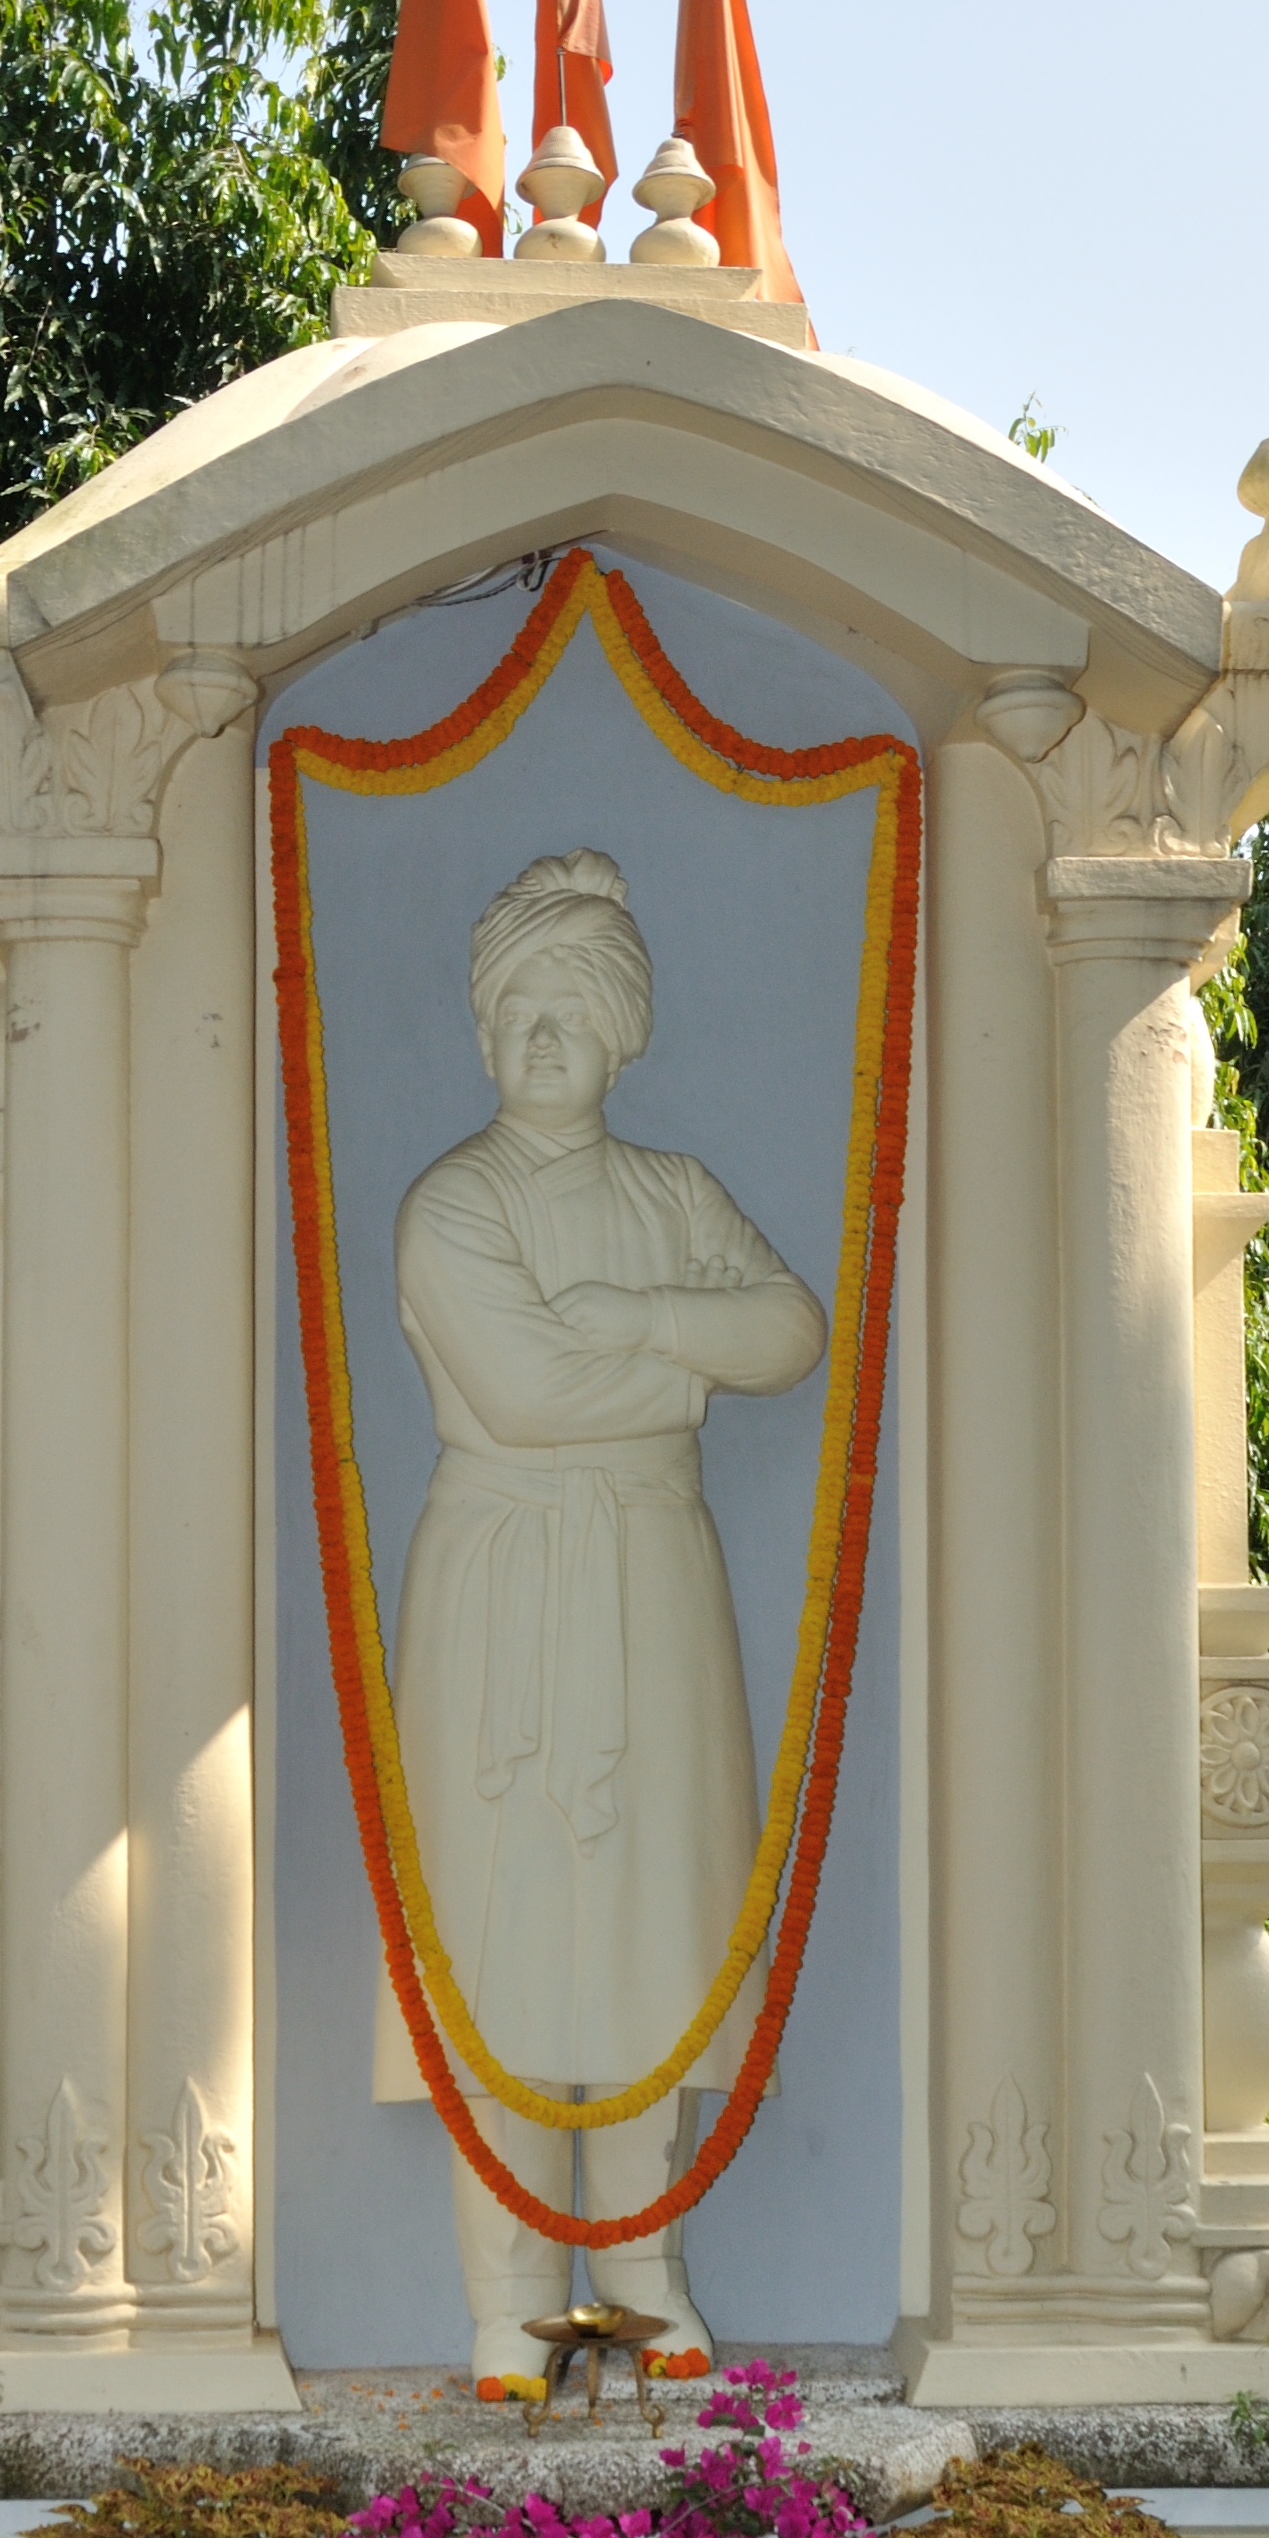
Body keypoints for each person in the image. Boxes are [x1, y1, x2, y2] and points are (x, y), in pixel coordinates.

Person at [382, 849, 826, 2389]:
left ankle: (641, 2275)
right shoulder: (451, 1205)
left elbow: (791, 1330)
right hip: (502, 1583)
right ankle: (505, 2292)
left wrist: (645, 1327)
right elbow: (521, 1389)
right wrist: (671, 1377)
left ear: (624, 1025)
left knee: (653, 1918)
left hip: (652, 1574)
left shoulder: (673, 1197)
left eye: (578, 1000)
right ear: (484, 1025)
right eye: (522, 1002)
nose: (548, 1029)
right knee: (496, 1928)